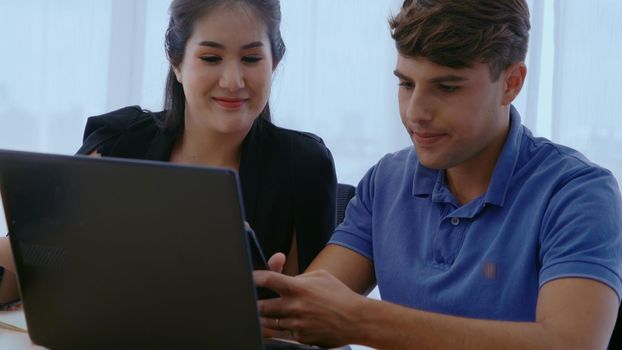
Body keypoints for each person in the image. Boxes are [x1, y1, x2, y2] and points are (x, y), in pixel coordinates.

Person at [254, 0, 622, 348]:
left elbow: (571, 344)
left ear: (511, 83)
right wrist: (279, 307)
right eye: (406, 83)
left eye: (446, 87)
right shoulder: (385, 181)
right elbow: (315, 313)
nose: (416, 113)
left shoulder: (577, 193)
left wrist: (361, 320)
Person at [0, 0, 336, 306]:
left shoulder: (303, 166)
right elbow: (26, 273)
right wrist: (61, 228)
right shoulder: (119, 143)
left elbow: (310, 325)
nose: (233, 80)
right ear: (176, 63)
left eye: (251, 58)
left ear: (274, 62)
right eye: (211, 58)